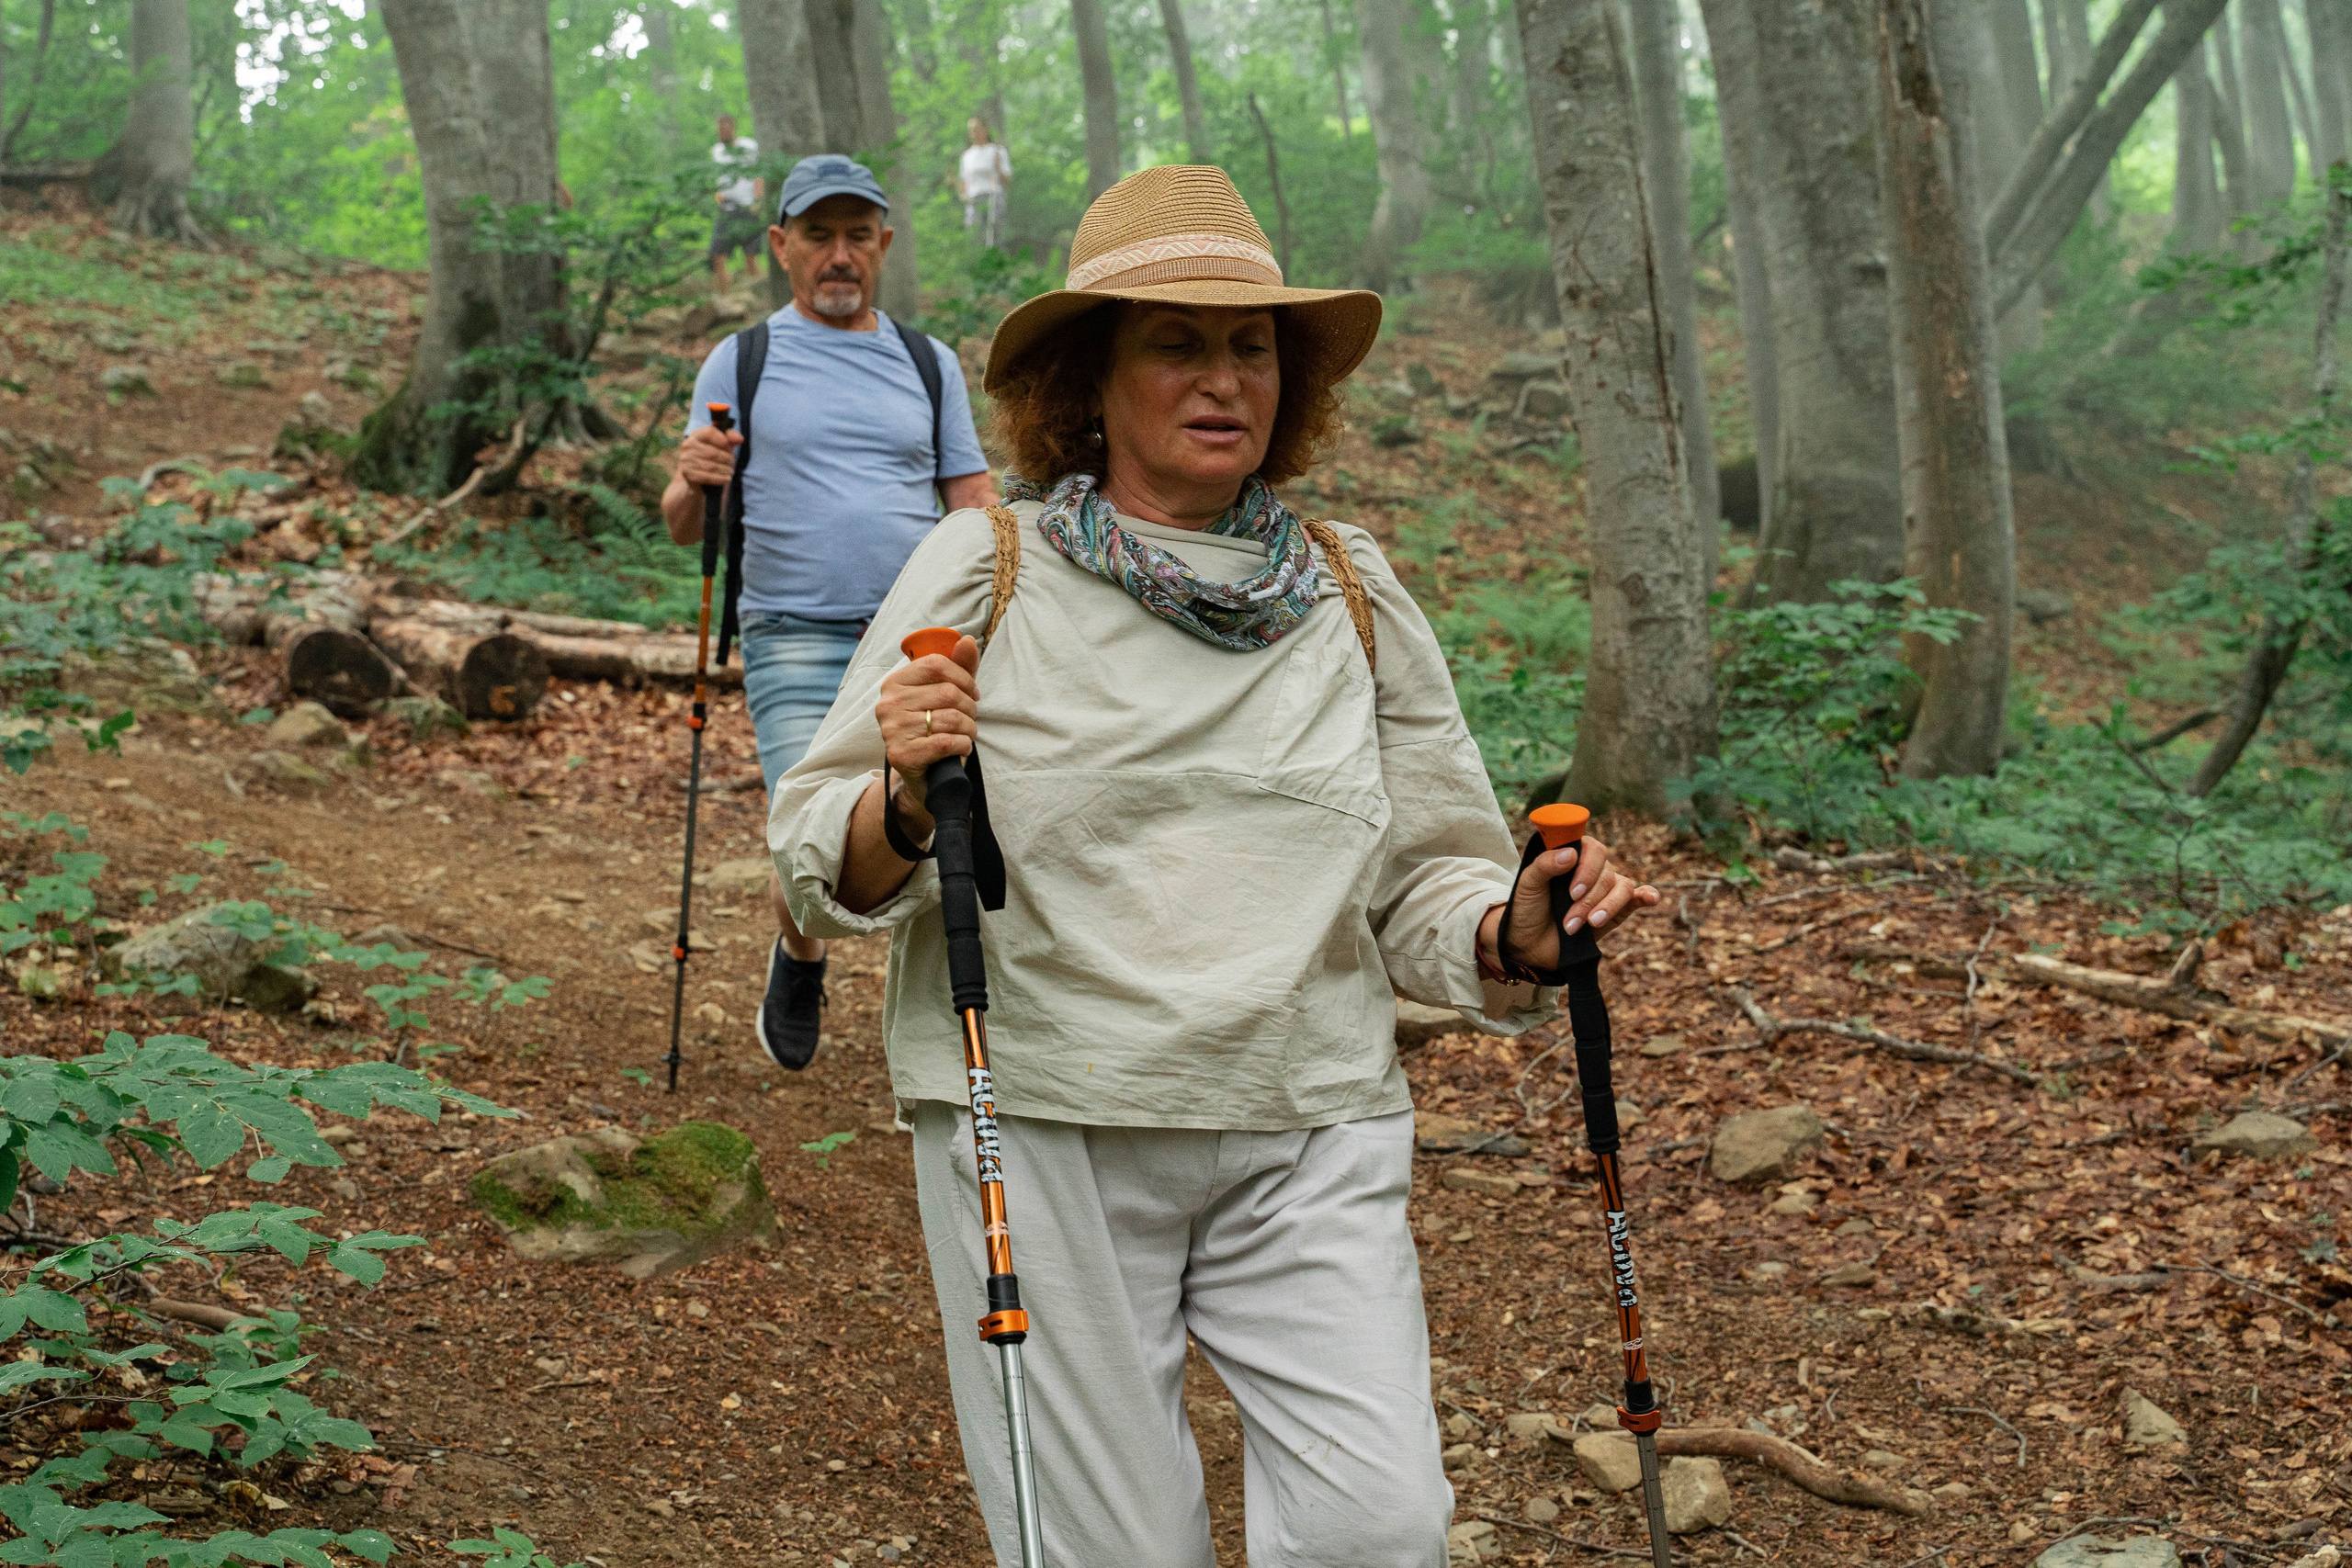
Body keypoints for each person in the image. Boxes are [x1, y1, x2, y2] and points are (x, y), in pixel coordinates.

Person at [767, 165, 1660, 1567]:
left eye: (1250, 345)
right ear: (1091, 379)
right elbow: (814, 863)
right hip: (1050, 1112)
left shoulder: (1350, 589)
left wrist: (1512, 931)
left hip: (1305, 1114)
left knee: (1382, 1525)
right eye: (1175, 341)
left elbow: (1426, 876)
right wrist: (902, 796)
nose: (1223, 375)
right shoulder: (985, 566)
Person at [664, 154, 994, 1072]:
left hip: (914, 637)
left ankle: (934, 1023)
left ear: (883, 244)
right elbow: (689, 520)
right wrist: (691, 482)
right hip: (791, 632)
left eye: (856, 235)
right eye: (818, 235)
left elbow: (967, 495)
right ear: (781, 247)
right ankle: (801, 949)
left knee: (934, 815)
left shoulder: (929, 363)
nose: (838, 255)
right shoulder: (742, 359)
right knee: (812, 823)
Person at [707, 113, 764, 293]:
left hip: (747, 206)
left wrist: (757, 200)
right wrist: (718, 195)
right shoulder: (717, 151)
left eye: (724, 130)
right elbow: (718, 176)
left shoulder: (749, 147)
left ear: (731, 128)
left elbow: (758, 174)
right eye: (718, 131)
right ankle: (723, 298)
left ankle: (758, 295)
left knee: (750, 255)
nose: (721, 134)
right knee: (718, 255)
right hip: (726, 208)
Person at [956, 118, 1012, 249]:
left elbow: (1006, 180)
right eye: (971, 130)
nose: (974, 133)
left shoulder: (997, 151)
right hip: (974, 198)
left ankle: (996, 262)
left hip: (994, 195)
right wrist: (963, 195)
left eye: (976, 129)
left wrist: (998, 168)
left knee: (995, 233)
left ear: (985, 130)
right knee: (974, 233)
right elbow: (963, 180)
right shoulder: (967, 155)